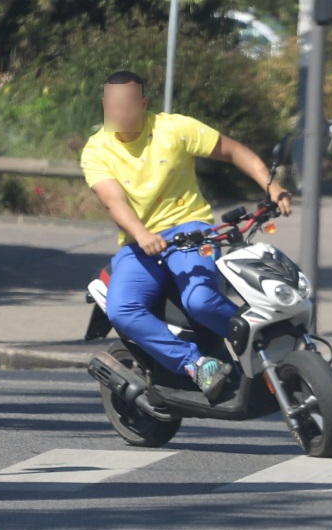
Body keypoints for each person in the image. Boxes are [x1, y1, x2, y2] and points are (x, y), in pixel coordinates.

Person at [81, 70, 292, 401]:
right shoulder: (96, 150)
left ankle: (265, 348)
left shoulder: (173, 128)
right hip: (139, 242)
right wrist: (141, 232)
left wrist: (272, 186)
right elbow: (113, 201)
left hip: (189, 228)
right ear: (104, 104)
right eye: (112, 106)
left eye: (126, 105)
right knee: (123, 310)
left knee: (201, 300)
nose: (118, 113)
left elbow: (234, 151)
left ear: (144, 104)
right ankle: (197, 364)